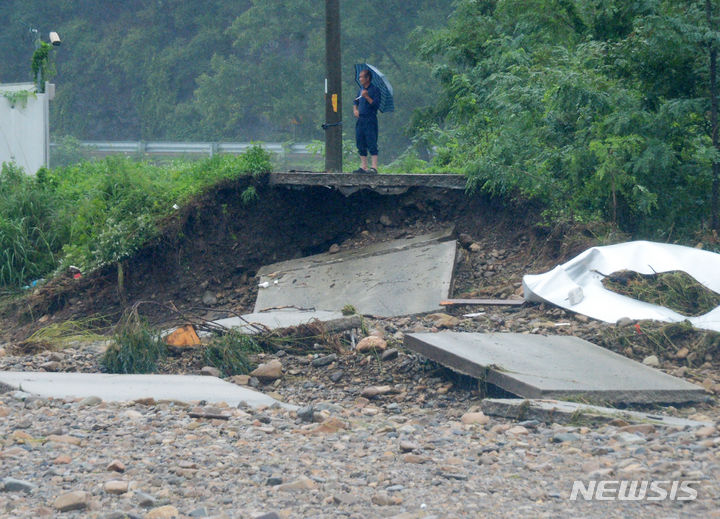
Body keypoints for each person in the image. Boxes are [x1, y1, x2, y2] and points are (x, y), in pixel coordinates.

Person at [353, 68, 381, 173]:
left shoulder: (375, 90)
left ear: (367, 78)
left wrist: (367, 96)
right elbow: (355, 101)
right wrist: (355, 110)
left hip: (370, 119)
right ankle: (363, 166)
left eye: (361, 77)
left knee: (371, 141)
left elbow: (375, 105)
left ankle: (374, 167)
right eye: (359, 77)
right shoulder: (360, 90)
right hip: (361, 119)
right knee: (360, 141)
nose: (360, 79)